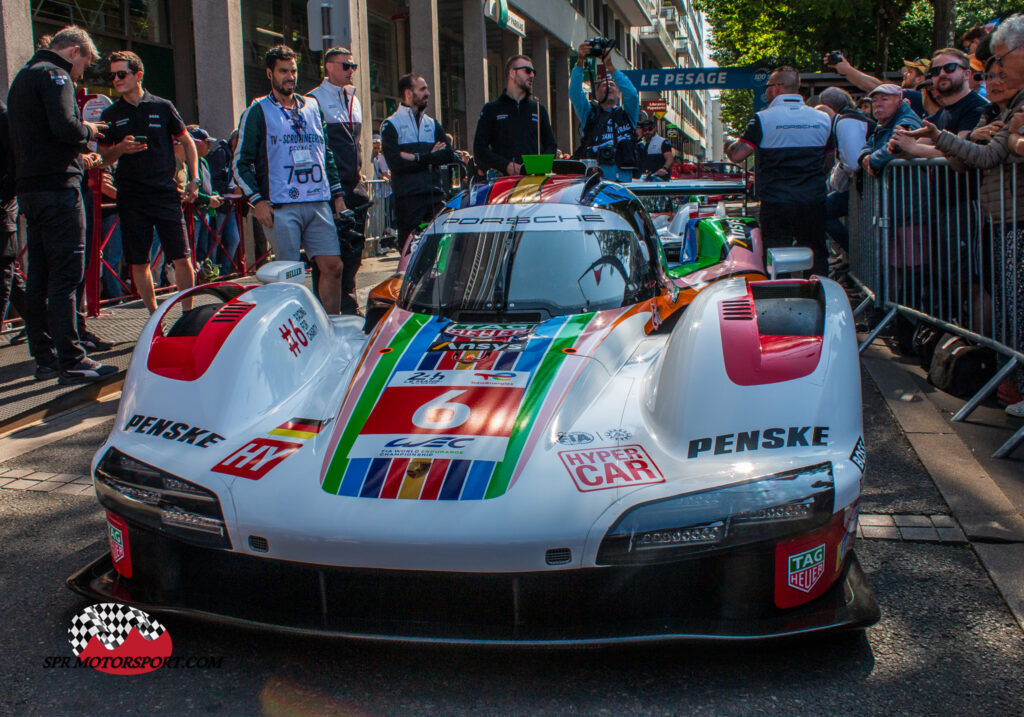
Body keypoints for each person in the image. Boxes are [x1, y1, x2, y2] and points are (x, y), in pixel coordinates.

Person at [6, 26, 117, 383]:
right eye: (83, 64)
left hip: (30, 190)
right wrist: (90, 131)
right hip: (58, 186)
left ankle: (45, 357)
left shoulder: (21, 78)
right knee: (67, 275)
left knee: (39, 276)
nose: (81, 73)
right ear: (73, 52)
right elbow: (65, 128)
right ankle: (73, 358)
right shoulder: (56, 75)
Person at [234, 45, 347, 313]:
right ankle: (293, 332)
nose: (290, 76)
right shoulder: (258, 111)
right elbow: (240, 163)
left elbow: (326, 153)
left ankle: (331, 324)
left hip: (318, 202)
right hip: (281, 206)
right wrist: (257, 201)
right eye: (283, 71)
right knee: (290, 276)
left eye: (293, 70)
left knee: (334, 266)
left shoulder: (312, 106)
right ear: (269, 73)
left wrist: (338, 197)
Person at [97, 50, 198, 314]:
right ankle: (154, 318)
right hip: (131, 197)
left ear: (138, 75)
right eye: (112, 75)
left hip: (165, 193)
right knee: (139, 263)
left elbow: (188, 141)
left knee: (181, 258)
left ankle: (188, 314)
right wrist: (119, 148)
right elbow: (102, 158)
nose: (116, 80)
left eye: (122, 74)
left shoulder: (162, 106)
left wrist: (194, 179)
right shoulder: (110, 114)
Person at [727, 66, 834, 275]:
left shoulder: (763, 118)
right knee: (816, 250)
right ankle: (820, 295)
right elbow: (829, 158)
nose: (767, 91)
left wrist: (728, 144)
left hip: (776, 200)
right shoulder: (823, 119)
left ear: (776, 88)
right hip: (812, 198)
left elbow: (738, 154)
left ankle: (778, 295)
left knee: (775, 252)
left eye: (768, 86)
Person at [308, 46, 368, 315]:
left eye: (353, 66)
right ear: (328, 67)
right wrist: (332, 193)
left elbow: (356, 143)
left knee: (354, 249)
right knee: (329, 255)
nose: (351, 71)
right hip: (330, 188)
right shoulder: (313, 100)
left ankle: (350, 304)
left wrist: (361, 171)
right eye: (346, 66)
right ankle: (325, 310)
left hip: (355, 185)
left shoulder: (354, 98)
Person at [380, 73, 455, 262]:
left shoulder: (432, 123)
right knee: (410, 256)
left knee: (440, 251)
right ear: (408, 93)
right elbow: (396, 163)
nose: (428, 93)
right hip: (408, 198)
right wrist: (431, 156)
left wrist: (416, 157)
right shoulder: (391, 124)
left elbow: (448, 154)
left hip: (435, 195)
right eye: (422, 89)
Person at [473, 54, 557, 177]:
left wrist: (540, 165)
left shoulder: (539, 109)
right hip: (503, 183)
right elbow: (479, 149)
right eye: (527, 71)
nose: (532, 75)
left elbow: (551, 145)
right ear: (512, 73)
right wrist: (505, 165)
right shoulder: (491, 109)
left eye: (533, 72)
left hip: (534, 183)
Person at [569, 41, 640, 181]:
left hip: (624, 180)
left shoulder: (627, 116)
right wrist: (580, 61)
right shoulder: (589, 115)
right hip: (596, 180)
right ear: (596, 95)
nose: (609, 86)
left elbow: (632, 95)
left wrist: (610, 67)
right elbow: (575, 93)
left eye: (613, 84)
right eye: (603, 85)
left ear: (619, 93)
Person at [820, 87, 874, 256]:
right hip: (863, 186)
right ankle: (852, 257)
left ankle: (855, 254)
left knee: (821, 212)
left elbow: (852, 163)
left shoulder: (845, 122)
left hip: (866, 187)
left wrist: (840, 171)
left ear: (827, 108)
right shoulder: (850, 119)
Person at [827, 53, 930, 118]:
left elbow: (875, 86)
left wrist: (847, 70)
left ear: (919, 79)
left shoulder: (917, 96)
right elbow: (874, 85)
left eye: (910, 72)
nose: (905, 74)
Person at [0, 101, 28, 334]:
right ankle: (42, 324)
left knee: (4, 269)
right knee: (10, 272)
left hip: (3, 207)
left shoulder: (4, 117)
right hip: (5, 204)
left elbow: (15, 162)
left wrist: (4, 197)